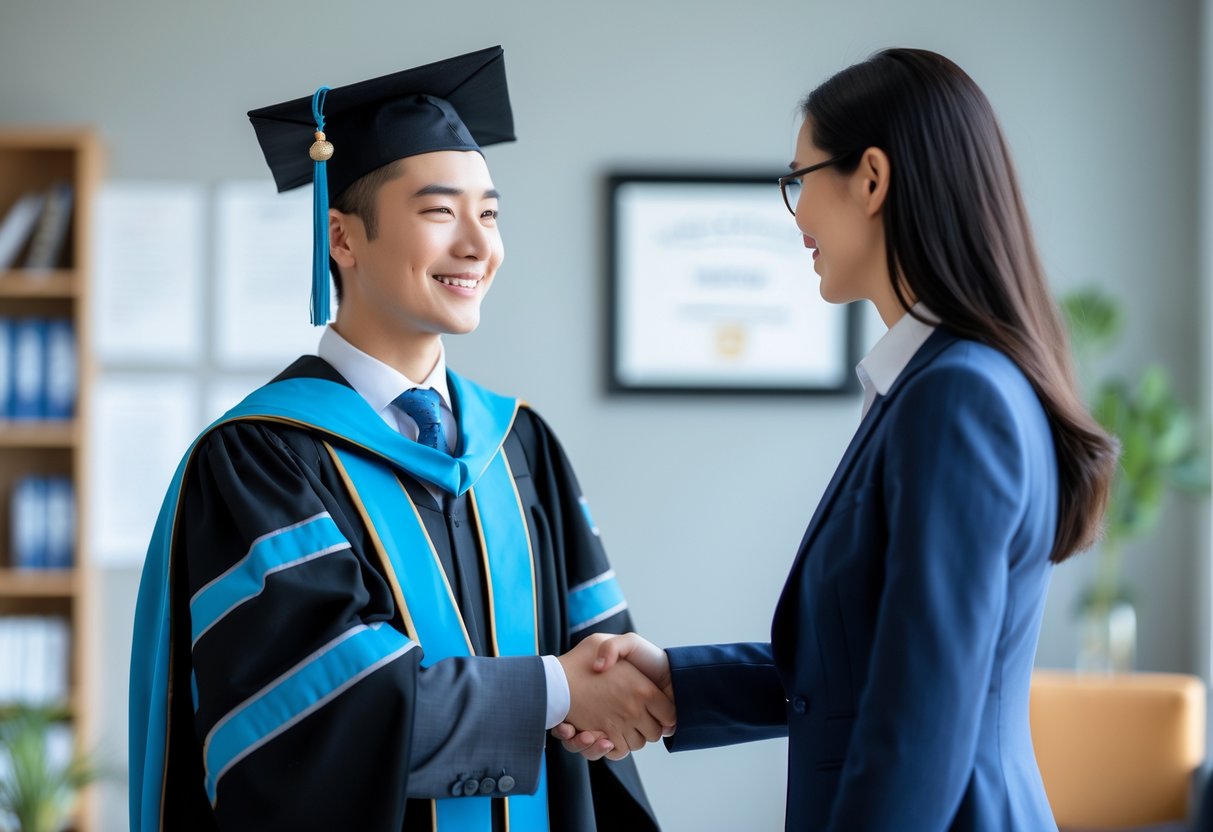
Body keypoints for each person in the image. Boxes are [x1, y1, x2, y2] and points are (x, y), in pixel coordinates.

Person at [555, 48, 1119, 831]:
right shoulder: (934, 384)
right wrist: (677, 684)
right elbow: (866, 673)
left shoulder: (955, 395)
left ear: (872, 179)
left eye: (798, 180)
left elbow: (916, 727)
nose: (795, 215)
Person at [128, 46, 672, 832]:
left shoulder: (519, 445)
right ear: (341, 239)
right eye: (439, 211)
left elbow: (604, 660)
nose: (478, 246)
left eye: (489, 213)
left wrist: (614, 693)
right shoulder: (262, 458)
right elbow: (326, 708)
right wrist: (556, 690)